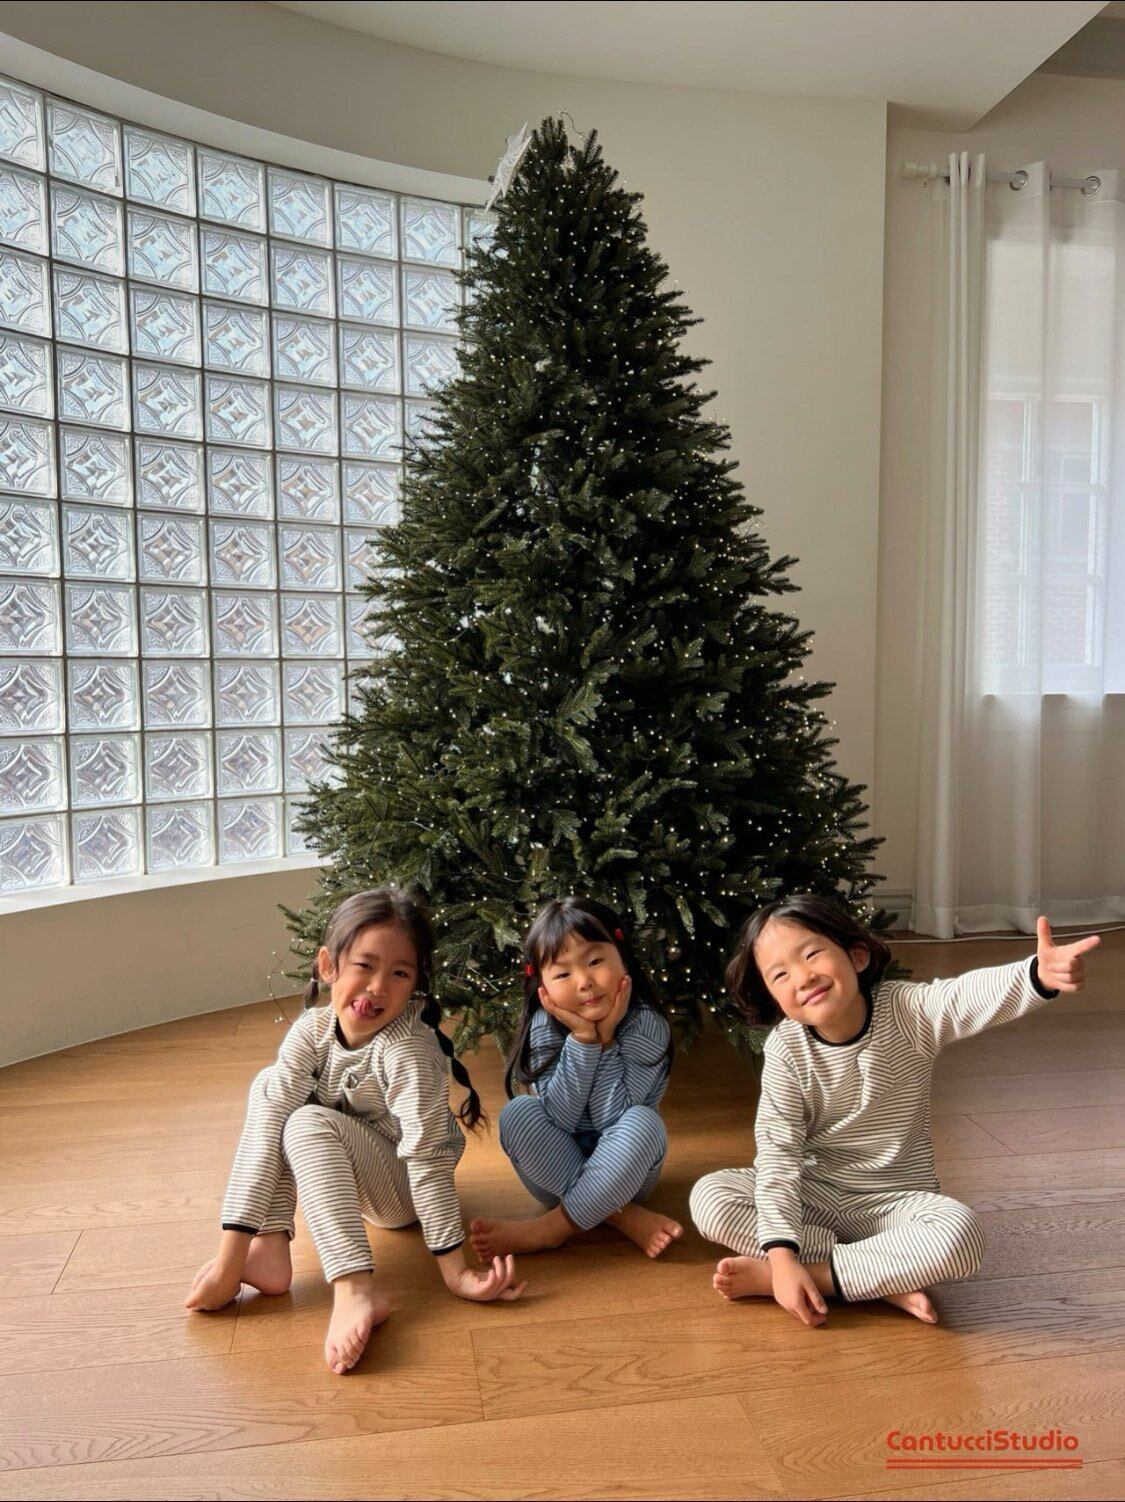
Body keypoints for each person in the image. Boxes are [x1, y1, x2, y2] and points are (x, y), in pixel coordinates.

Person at [689, 893, 1100, 1326]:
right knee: (711, 1199)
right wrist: (781, 1253)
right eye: (780, 974)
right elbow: (778, 1154)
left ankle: (816, 1278)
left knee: (960, 1235)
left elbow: (963, 997)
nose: (804, 977)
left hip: (896, 1205)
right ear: (773, 996)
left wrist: (1038, 975)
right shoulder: (786, 1049)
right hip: (816, 1193)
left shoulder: (907, 1011)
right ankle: (876, 1276)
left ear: (856, 956)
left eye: (812, 954)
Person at [185, 885, 524, 1373]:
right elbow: (264, 1130)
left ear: (416, 986)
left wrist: (456, 1273)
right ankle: (268, 1247)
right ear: (328, 965)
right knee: (272, 1090)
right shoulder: (312, 1030)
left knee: (305, 1122)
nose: (378, 987)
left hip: (402, 1191)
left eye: (399, 973)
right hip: (350, 1166)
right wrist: (228, 1260)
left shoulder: (407, 1051)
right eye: (364, 965)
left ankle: (355, 1287)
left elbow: (427, 1159)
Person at [471, 896, 682, 1260]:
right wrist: (584, 1039)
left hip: (628, 1174)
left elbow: (610, 1118)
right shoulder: (544, 1025)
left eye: (595, 961)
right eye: (563, 974)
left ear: (622, 958)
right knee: (517, 1114)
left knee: (644, 1123)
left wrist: (607, 1039)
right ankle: (622, 1216)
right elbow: (561, 1118)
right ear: (543, 987)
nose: (585, 981)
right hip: (553, 1174)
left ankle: (548, 1230)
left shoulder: (646, 1026)